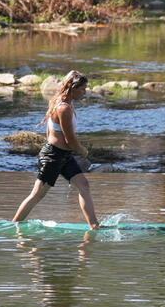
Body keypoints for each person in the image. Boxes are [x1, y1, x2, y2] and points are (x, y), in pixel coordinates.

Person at [12, 70, 100, 229]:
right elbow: (69, 140)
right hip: (53, 156)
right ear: (73, 88)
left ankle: (94, 226)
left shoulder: (66, 103)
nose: (85, 92)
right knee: (37, 195)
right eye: (82, 89)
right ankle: (13, 226)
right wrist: (83, 151)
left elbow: (50, 132)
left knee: (84, 185)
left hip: (64, 155)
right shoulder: (63, 108)